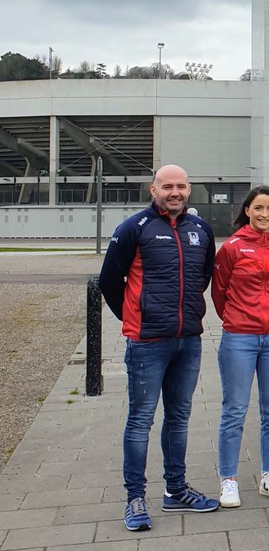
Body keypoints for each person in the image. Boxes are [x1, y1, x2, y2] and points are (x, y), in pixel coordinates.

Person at [99, 164, 219, 531]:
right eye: (167, 186)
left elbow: (203, 276)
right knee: (140, 421)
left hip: (188, 340)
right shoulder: (133, 229)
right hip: (147, 342)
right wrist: (135, 316)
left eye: (181, 186)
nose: (175, 192)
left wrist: (185, 314)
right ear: (153, 190)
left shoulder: (201, 229)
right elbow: (109, 280)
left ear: (189, 190)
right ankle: (135, 497)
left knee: (179, 418)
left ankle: (176, 490)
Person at [212, 185, 269, 506]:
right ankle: (228, 479)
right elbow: (219, 293)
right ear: (247, 210)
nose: (265, 215)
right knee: (234, 410)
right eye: (259, 208)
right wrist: (238, 320)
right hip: (239, 337)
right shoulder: (232, 248)